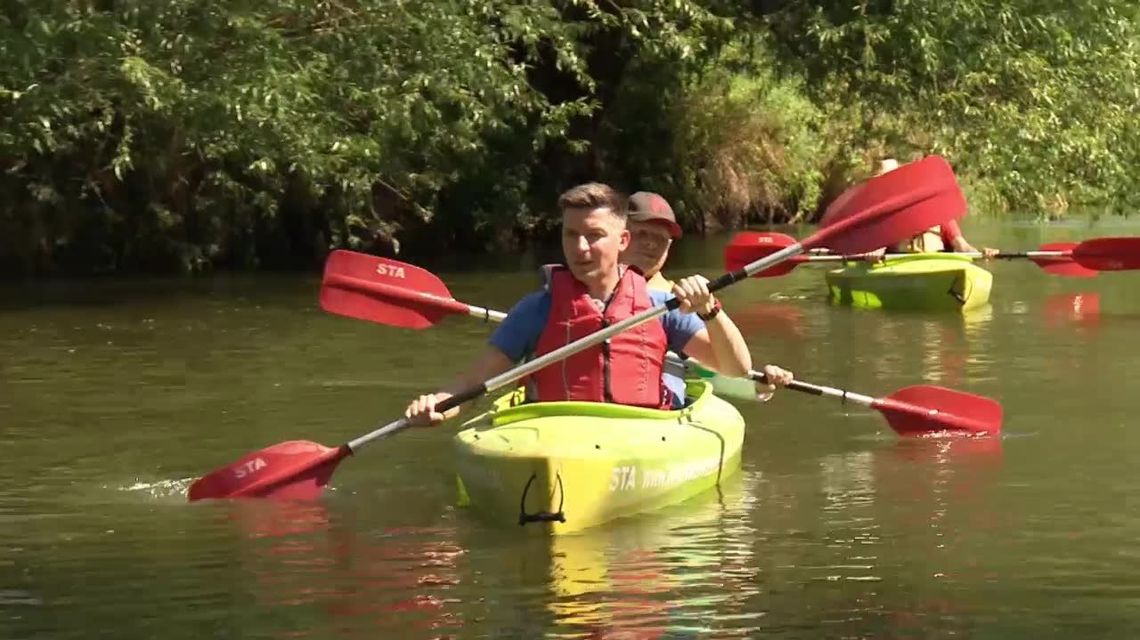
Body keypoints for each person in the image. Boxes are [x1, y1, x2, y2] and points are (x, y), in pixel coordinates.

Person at [405, 183, 794, 425]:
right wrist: (439, 404)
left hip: (636, 429)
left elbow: (736, 369)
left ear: (622, 242)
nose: (580, 247)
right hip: (554, 431)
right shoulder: (536, 309)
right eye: (571, 234)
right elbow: (473, 383)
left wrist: (710, 310)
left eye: (594, 235)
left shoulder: (661, 305)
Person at [620, 191, 781, 396]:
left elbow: (722, 369)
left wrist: (757, 385)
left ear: (669, 246)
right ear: (620, 236)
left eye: (660, 238)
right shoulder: (592, 289)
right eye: (642, 234)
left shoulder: (684, 301)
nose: (651, 244)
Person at [865, 158, 998, 261]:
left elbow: (962, 246)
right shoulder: (880, 218)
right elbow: (876, 247)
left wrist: (981, 254)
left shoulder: (939, 213)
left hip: (935, 265)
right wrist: (873, 254)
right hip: (898, 267)